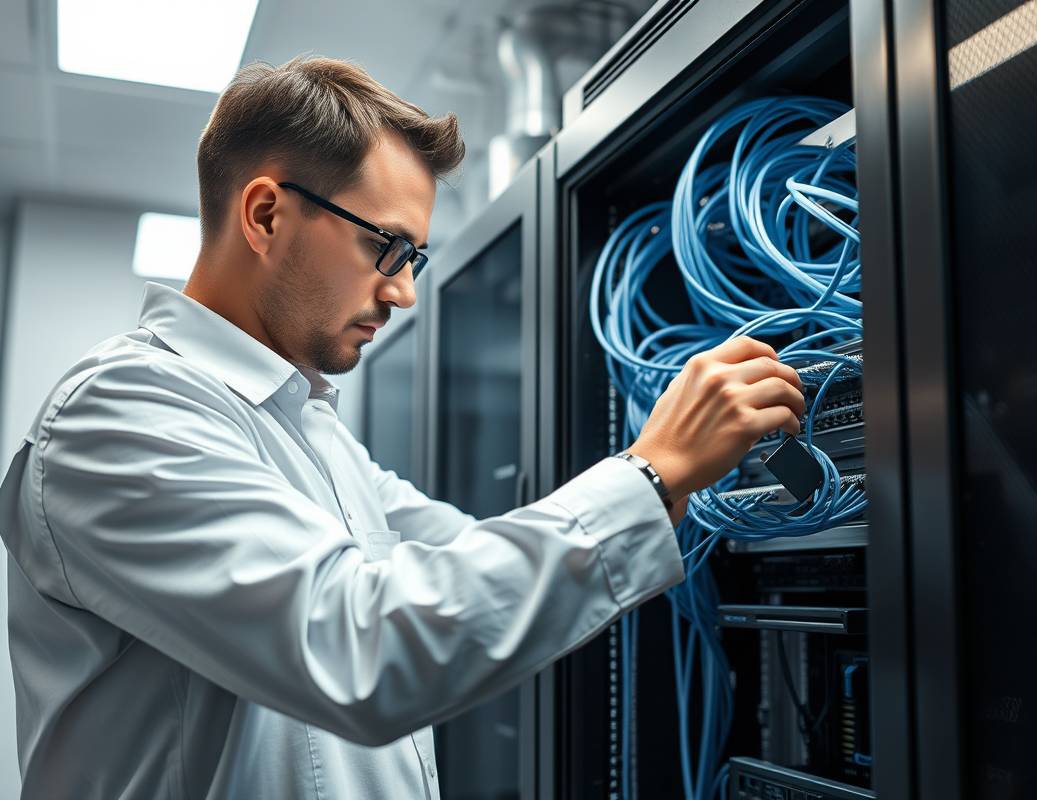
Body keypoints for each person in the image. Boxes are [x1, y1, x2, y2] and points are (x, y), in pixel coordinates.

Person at [0, 56, 806, 799]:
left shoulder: (305, 428)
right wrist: (651, 470)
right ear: (266, 214)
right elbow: (361, 647)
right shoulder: (122, 413)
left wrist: (690, 475)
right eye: (388, 247)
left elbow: (468, 568)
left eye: (413, 259)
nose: (404, 293)